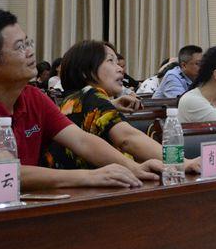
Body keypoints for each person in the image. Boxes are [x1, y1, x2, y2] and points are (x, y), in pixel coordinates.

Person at [0, 9, 159, 204]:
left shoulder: (32, 97)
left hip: (18, 209)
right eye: (20, 47)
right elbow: (5, 174)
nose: (30, 51)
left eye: (28, 43)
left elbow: (82, 140)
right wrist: (89, 176)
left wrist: (134, 168)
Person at [44, 40, 201, 173]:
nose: (120, 68)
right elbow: (128, 138)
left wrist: (110, 105)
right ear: (86, 71)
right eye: (110, 61)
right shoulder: (92, 95)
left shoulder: (72, 100)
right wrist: (183, 162)